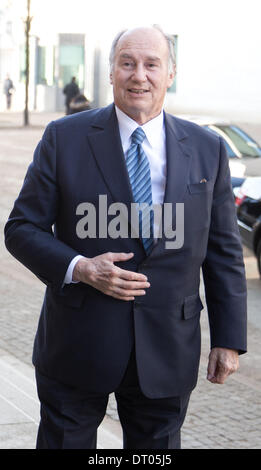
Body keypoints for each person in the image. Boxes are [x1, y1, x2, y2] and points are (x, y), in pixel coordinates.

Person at [4, 26, 247, 449]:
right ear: (111, 73)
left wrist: (229, 339)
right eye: (127, 63)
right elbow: (21, 228)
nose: (139, 76)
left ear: (170, 74)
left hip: (168, 347)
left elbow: (223, 251)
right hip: (77, 343)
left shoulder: (208, 148)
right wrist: (80, 268)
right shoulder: (65, 138)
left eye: (152, 64)